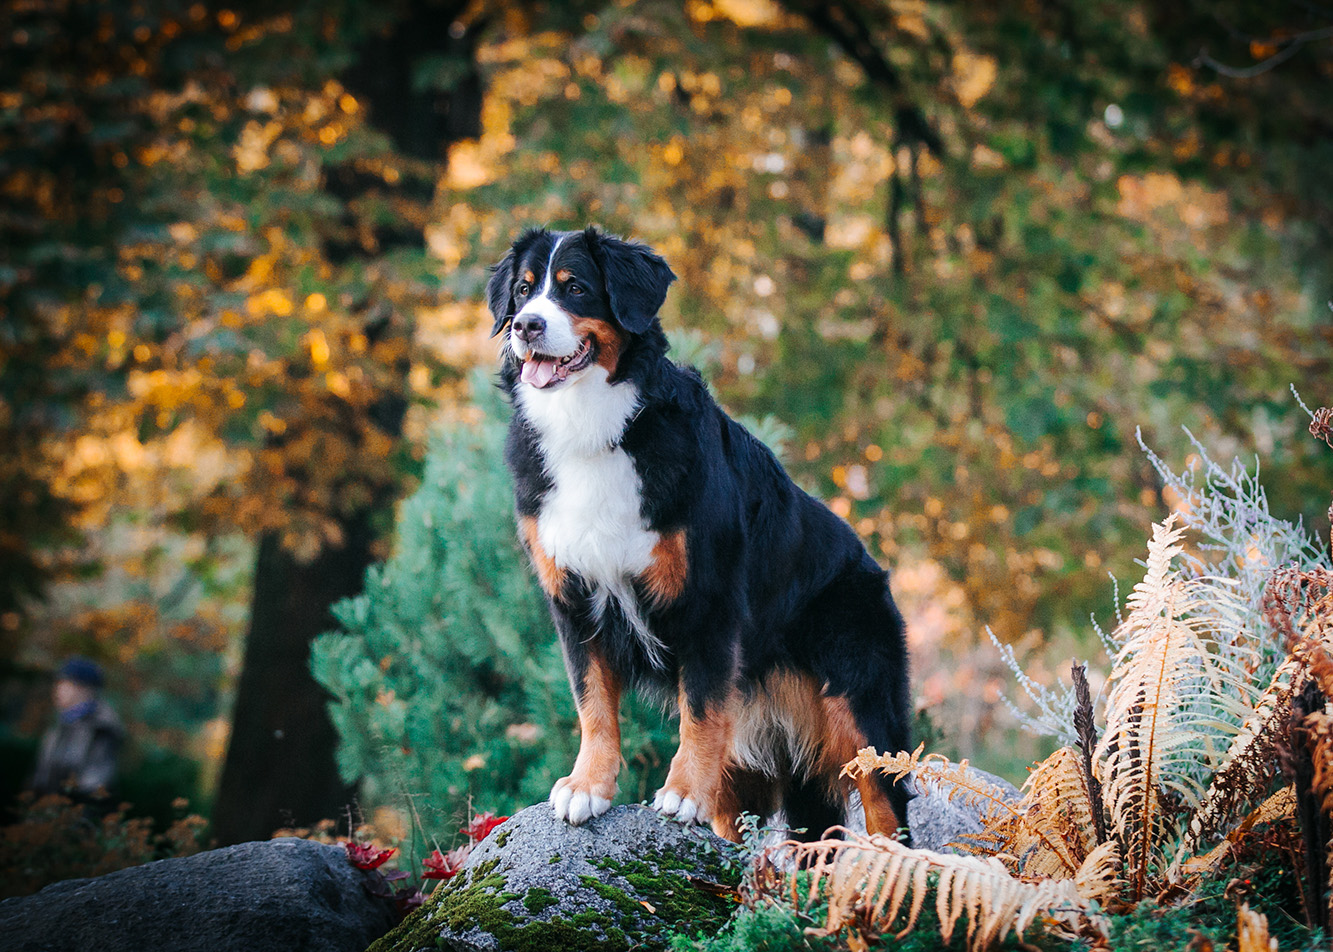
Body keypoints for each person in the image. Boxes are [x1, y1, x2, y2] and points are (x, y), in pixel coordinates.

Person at [29, 656, 123, 803]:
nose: (57, 689)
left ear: (84, 688)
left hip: (73, 817)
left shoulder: (102, 728)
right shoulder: (61, 722)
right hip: (46, 813)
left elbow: (94, 785)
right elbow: (42, 776)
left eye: (65, 684)